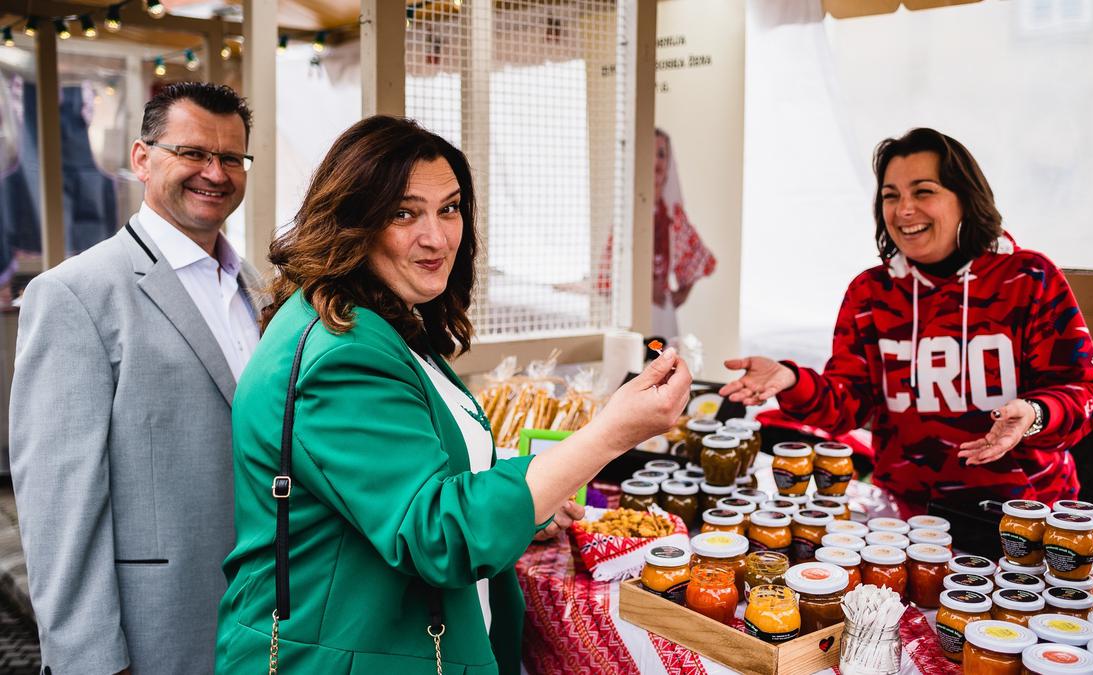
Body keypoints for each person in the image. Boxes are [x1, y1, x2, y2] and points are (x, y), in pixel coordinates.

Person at [215, 116, 691, 674]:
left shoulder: (373, 320)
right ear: (353, 220)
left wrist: (530, 504)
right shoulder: (344, 352)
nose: (437, 236)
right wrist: (610, 433)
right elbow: (439, 534)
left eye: (449, 208)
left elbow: (409, 481)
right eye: (403, 212)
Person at [9, 82, 262, 675]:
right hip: (153, 632)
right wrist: (89, 662)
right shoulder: (75, 294)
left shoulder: (259, 286)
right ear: (142, 158)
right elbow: (59, 509)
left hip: (258, 618)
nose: (215, 173)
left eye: (231, 158)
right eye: (193, 152)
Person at [721, 127, 1093, 511]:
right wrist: (792, 381)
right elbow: (848, 407)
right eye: (892, 196)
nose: (904, 209)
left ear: (966, 199)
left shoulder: (1027, 278)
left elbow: (1085, 389)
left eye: (923, 192)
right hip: (909, 516)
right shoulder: (871, 293)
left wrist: (1035, 414)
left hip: (1024, 513)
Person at [597, 128, 716, 338]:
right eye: (649, 153)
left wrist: (681, 293)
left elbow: (699, 256)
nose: (655, 162)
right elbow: (609, 272)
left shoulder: (673, 215)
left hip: (663, 315)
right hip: (631, 313)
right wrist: (642, 287)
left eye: (661, 154)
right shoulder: (626, 216)